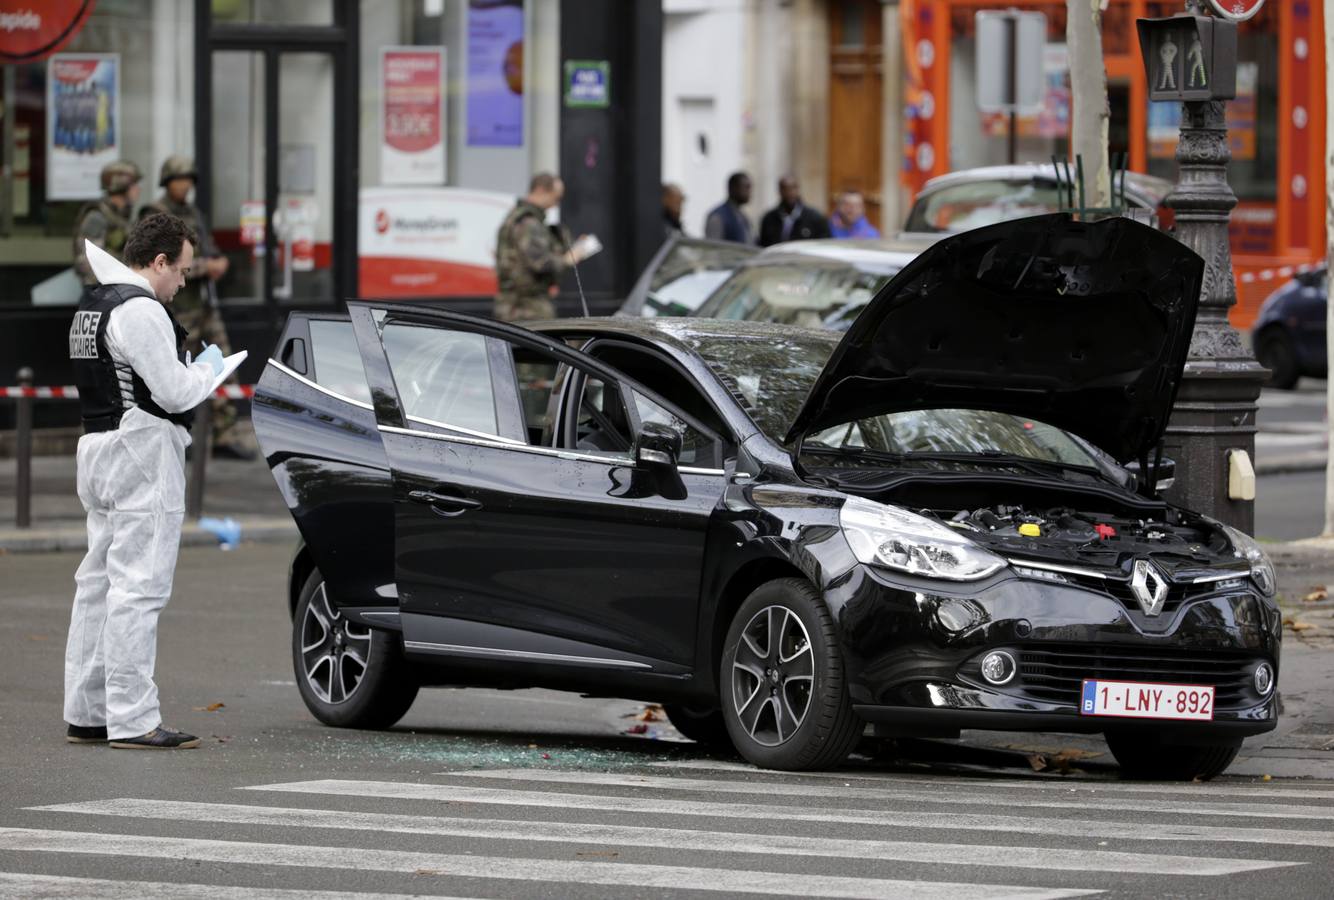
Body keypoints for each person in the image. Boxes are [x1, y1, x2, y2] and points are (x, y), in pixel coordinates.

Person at [65, 212, 223, 751]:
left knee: (98, 585)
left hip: (97, 444)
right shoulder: (140, 310)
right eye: (179, 271)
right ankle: (133, 718)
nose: (182, 283)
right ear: (157, 262)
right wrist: (209, 371)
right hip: (140, 450)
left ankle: (87, 711)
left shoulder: (93, 303)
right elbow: (176, 393)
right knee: (139, 587)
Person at [142, 155, 252, 461]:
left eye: (189, 179)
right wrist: (205, 267)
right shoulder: (155, 215)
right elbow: (159, 260)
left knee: (223, 364)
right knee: (177, 370)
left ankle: (225, 434)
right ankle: (180, 434)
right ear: (167, 181)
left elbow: (209, 247)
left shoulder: (194, 214)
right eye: (180, 179)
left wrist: (218, 262)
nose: (186, 185)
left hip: (203, 303)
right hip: (177, 305)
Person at [494, 172, 590, 322]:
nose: (556, 203)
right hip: (525, 308)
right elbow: (541, 263)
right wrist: (568, 259)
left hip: (519, 305)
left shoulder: (521, 218)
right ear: (540, 190)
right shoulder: (528, 223)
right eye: (555, 197)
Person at [72, 161, 142, 298]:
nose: (138, 189)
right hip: (104, 298)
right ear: (121, 186)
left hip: (121, 294)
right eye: (134, 185)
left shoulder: (122, 217)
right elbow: (87, 264)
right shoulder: (97, 217)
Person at [758, 175, 831, 246]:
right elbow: (763, 244)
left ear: (798, 189)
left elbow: (824, 244)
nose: (789, 193)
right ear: (780, 191)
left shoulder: (815, 218)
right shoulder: (769, 219)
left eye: (793, 188)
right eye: (785, 189)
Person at [704, 172, 755, 244]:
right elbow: (712, 248)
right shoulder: (718, 216)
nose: (749, 192)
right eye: (746, 187)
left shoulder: (743, 217)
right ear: (734, 188)